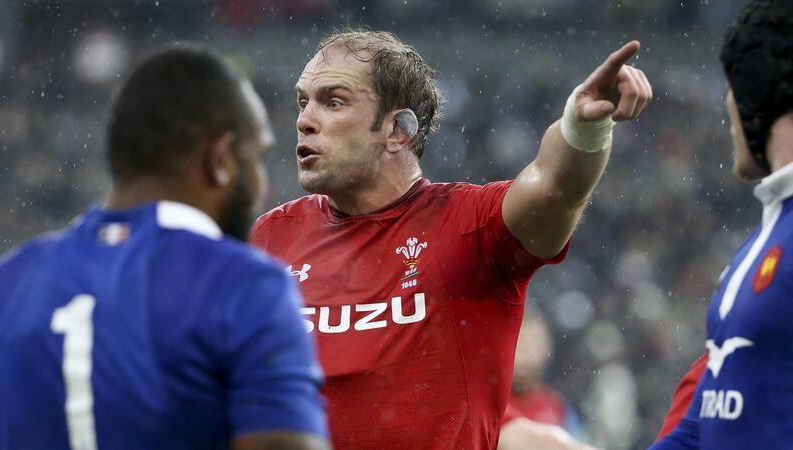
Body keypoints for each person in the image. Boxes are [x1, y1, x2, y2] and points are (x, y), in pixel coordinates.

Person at [250, 29, 651, 449]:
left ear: (397, 131)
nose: (304, 120)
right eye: (303, 101)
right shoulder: (268, 240)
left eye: (333, 101)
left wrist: (583, 125)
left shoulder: (469, 228)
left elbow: (554, 187)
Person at [0, 45, 330, 450]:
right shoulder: (242, 285)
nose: (261, 184)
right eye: (255, 156)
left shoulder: (6, 282)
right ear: (220, 160)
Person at [651, 1, 793, 448]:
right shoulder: (764, 236)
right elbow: (697, 430)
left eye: (732, 85)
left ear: (757, 89)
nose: (727, 105)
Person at [499, 313, 602, 450]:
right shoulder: (485, 406)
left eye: (532, 342)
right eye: (518, 341)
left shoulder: (558, 408)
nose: (523, 353)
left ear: (547, 348)